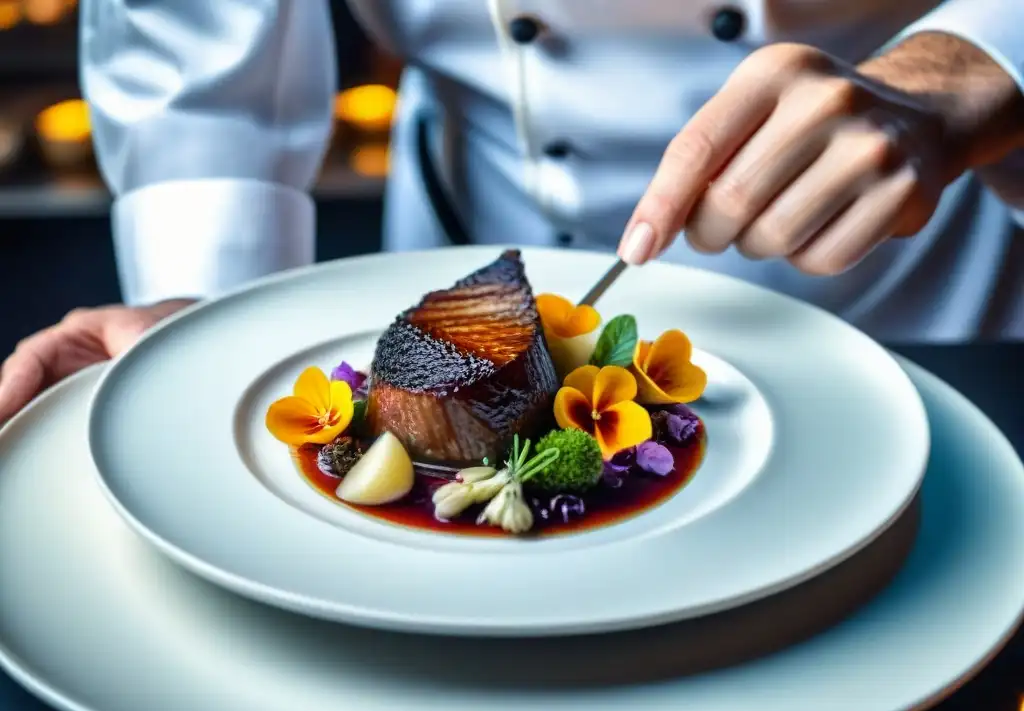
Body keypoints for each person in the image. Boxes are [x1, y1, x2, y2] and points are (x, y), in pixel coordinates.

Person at [1, 0, 1022, 425]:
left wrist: (967, 66)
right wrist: (204, 310)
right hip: (472, 240)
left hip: (912, 280)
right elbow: (199, 40)